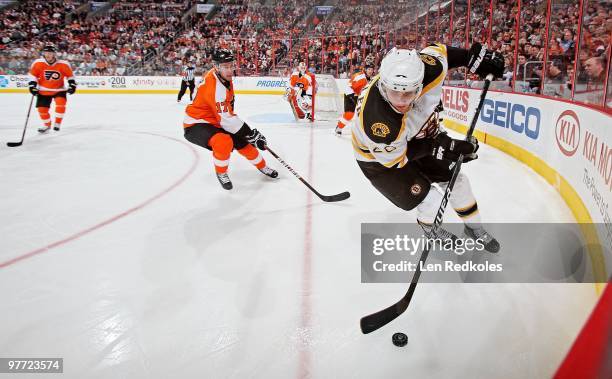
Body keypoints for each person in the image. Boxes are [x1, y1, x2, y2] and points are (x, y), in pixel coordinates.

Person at [352, 43, 504, 252]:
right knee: (430, 200)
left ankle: (474, 228)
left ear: (420, 82)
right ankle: (428, 226)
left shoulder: (428, 69)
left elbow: (441, 52)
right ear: (382, 85)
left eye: (409, 93)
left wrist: (472, 59)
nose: (401, 101)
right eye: (394, 92)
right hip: (380, 160)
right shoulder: (379, 123)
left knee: (457, 181)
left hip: (418, 137)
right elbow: (399, 159)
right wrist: (443, 147)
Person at [183, 49, 278, 190]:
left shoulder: (222, 77)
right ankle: (221, 173)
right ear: (216, 67)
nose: (229, 70)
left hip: (217, 120)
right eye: (225, 67)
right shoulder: (214, 87)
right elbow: (226, 119)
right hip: (196, 123)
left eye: (231, 65)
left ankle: (262, 166)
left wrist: (248, 136)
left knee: (243, 142)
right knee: (223, 141)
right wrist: (250, 133)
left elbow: (226, 114)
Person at [28, 45, 77, 133]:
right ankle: (47, 125)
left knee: (61, 104)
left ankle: (57, 123)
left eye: (50, 53)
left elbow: (70, 76)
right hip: (43, 90)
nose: (47, 55)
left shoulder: (63, 64)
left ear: (54, 54)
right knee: (42, 110)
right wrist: (32, 86)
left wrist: (72, 85)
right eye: (46, 53)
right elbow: (33, 75)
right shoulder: (38, 63)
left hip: (59, 89)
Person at [335, 56, 375, 135]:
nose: (370, 71)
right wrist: (351, 96)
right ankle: (339, 127)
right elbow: (349, 85)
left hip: (360, 97)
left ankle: (364, 131)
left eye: (371, 69)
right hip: (350, 96)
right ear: (365, 69)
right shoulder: (360, 77)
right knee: (349, 114)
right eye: (369, 69)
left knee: (366, 113)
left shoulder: (371, 79)